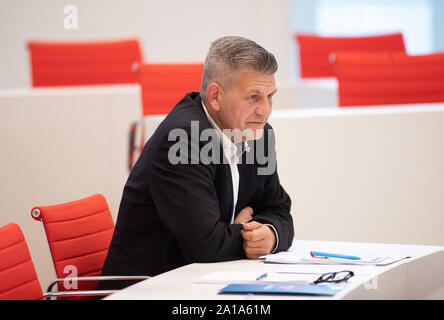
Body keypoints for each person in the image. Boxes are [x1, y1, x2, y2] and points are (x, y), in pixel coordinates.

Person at [100, 36, 294, 289]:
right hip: (145, 290)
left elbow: (279, 211)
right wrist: (243, 232)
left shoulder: (258, 133)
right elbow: (205, 245)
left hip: (199, 285)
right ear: (215, 96)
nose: (265, 110)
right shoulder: (181, 139)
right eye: (253, 97)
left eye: (270, 96)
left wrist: (271, 235)